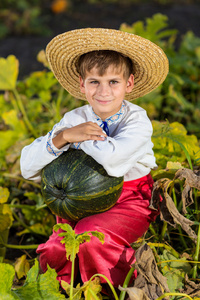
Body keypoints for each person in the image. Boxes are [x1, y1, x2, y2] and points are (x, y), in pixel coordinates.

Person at [20, 28, 168, 289]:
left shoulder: (137, 121)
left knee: (90, 239)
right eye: (94, 82)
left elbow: (114, 161)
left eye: (113, 81)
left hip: (130, 199)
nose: (103, 91)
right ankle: (64, 291)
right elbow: (27, 166)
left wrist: (78, 138)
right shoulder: (74, 120)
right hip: (79, 198)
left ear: (129, 84)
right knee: (56, 250)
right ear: (82, 84)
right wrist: (61, 137)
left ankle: (118, 290)